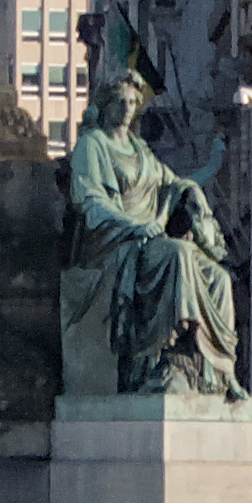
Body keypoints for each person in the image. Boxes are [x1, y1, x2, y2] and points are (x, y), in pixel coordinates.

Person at [63, 69, 239, 396]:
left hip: (151, 239)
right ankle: (157, 359)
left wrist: (208, 172)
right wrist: (135, 225)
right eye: (120, 101)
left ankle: (214, 371)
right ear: (106, 105)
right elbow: (90, 202)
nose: (128, 108)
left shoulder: (140, 149)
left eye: (132, 102)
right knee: (178, 254)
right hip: (116, 241)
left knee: (219, 278)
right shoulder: (93, 145)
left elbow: (173, 184)